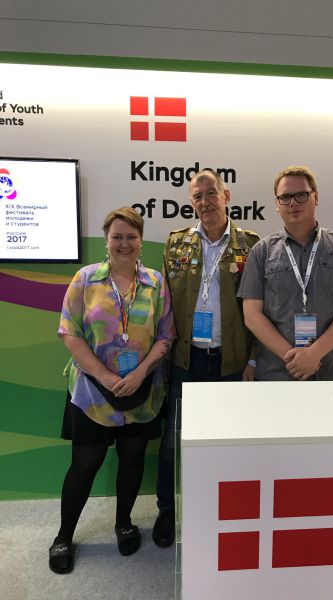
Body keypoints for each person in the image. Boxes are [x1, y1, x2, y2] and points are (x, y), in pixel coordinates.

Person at [49, 207, 175, 574]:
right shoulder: (86, 279)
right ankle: (63, 536)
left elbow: (166, 335)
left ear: (140, 240)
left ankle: (124, 523)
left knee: (132, 459)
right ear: (106, 240)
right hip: (93, 391)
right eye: (117, 236)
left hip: (141, 390)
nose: (124, 243)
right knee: (84, 465)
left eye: (131, 237)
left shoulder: (155, 282)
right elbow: (69, 332)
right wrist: (104, 376)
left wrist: (141, 372)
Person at [153, 169, 260, 547]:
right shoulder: (175, 244)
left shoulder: (252, 246)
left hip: (232, 362)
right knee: (173, 442)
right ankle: (167, 510)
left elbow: (262, 310)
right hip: (187, 361)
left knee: (230, 441)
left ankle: (227, 510)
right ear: (191, 203)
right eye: (197, 196)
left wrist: (254, 360)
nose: (205, 201)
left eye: (211, 193)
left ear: (226, 195)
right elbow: (165, 307)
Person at [238, 165, 333, 381]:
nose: (293, 203)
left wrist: (314, 354)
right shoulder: (261, 251)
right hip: (278, 374)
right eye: (285, 197)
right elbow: (252, 316)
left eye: (301, 195)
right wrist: (296, 360)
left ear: (315, 197)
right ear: (277, 204)